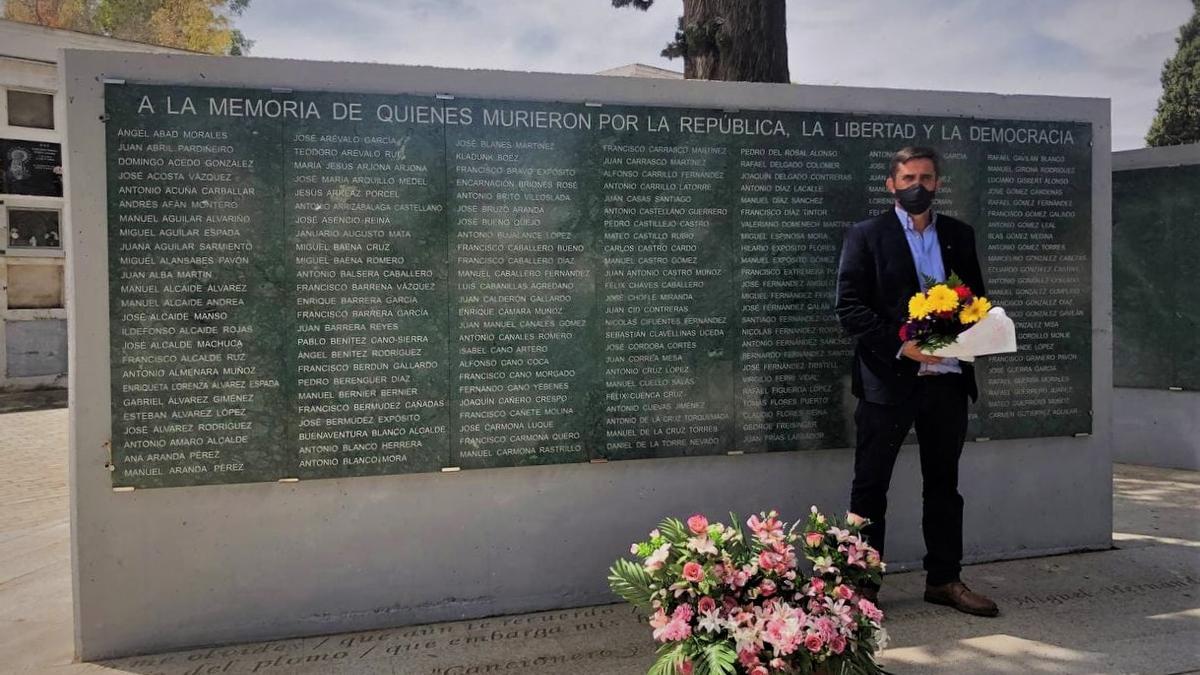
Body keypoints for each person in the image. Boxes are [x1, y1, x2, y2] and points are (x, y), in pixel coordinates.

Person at [834, 146, 999, 617]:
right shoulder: (866, 236)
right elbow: (849, 307)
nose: (917, 185)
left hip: (947, 383)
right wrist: (902, 346)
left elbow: (977, 303)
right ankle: (860, 589)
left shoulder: (958, 235)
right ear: (891, 184)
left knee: (944, 485)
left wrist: (972, 333)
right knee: (870, 486)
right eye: (908, 177)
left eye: (927, 177)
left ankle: (945, 580)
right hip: (889, 381)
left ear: (938, 183)